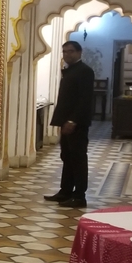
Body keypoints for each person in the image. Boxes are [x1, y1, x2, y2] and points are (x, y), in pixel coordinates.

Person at [45, 40, 94, 208]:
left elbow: (84, 100)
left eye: (71, 51)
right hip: (66, 122)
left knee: (78, 158)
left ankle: (79, 196)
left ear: (79, 53)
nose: (67, 54)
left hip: (76, 123)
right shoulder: (70, 71)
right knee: (67, 157)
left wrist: (73, 120)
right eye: (64, 51)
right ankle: (65, 191)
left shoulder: (85, 71)